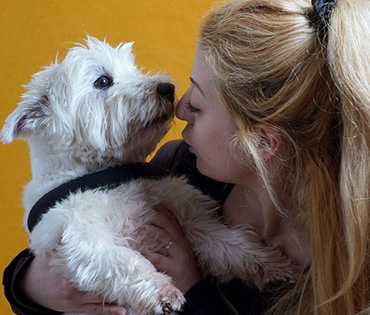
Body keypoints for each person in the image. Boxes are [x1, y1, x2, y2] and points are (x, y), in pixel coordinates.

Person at [3, 0, 370, 314]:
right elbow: (66, 250)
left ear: (263, 142)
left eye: (198, 101)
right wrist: (28, 283)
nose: (179, 106)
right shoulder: (177, 165)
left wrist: (193, 294)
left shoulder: (352, 260)